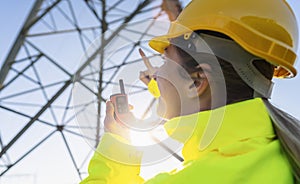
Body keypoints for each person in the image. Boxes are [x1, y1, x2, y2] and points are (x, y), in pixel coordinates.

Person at [80, 0, 300, 183]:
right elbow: (204, 94)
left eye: (166, 61)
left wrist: (118, 142)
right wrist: (165, 85)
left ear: (197, 81)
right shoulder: (277, 150)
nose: (157, 73)